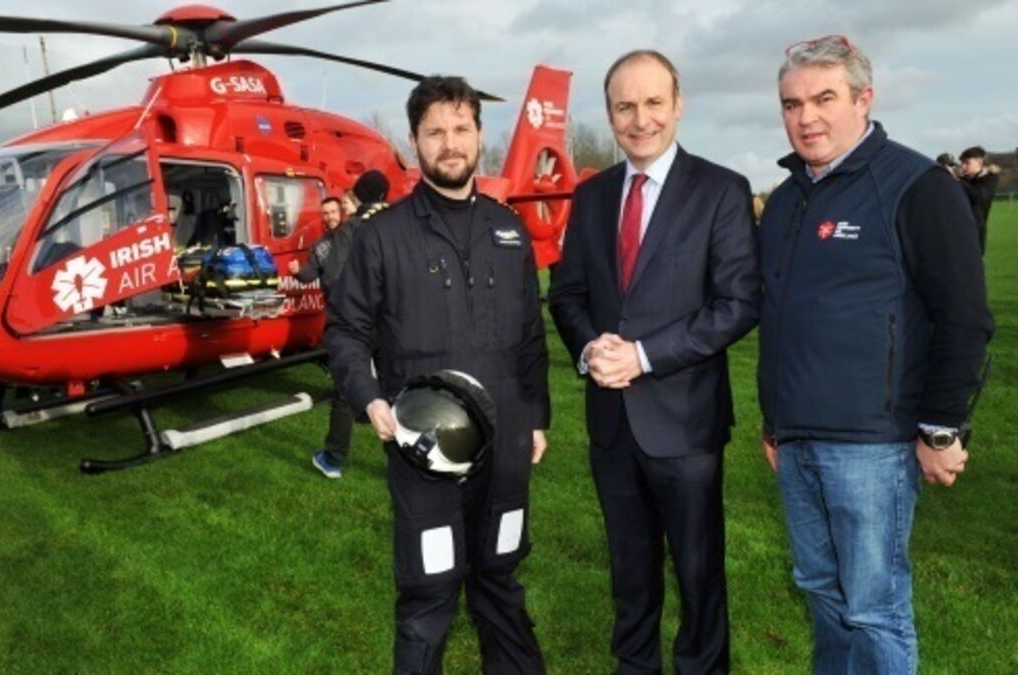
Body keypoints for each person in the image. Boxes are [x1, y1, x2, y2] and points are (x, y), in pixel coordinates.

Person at [759, 36, 992, 673]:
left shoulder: (917, 185)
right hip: (796, 439)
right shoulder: (786, 200)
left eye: (824, 99)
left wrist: (941, 428)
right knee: (820, 592)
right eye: (792, 104)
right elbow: (778, 313)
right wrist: (773, 421)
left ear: (864, 99)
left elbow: (964, 317)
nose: (806, 117)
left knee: (874, 608)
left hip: (872, 444)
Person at [327, 75, 550, 674]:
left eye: (460, 129)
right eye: (435, 133)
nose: (449, 143)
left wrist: (536, 417)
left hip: (505, 448)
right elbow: (346, 332)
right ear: (414, 142)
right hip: (424, 447)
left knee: (499, 580)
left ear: (478, 134)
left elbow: (531, 335)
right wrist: (369, 399)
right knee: (429, 593)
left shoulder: (510, 232)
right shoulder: (381, 237)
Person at [548, 50, 759, 674]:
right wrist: (590, 347)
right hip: (612, 426)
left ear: (678, 104)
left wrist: (642, 356)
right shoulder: (591, 196)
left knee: (698, 576)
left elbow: (738, 304)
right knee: (629, 571)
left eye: (653, 103)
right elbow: (567, 294)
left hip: (686, 424)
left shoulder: (721, 190)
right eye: (625, 106)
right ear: (610, 114)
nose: (640, 120)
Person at [291, 174, 391, 479]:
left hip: (356, 322)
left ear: (356, 198)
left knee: (346, 390)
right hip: (391, 321)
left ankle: (333, 458)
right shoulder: (399, 224)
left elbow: (334, 277)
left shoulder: (352, 229)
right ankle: (404, 460)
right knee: (397, 389)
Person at [958, 146, 999, 254]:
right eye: (962, 163)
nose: (963, 166)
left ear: (979, 162)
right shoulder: (964, 180)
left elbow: (979, 196)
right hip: (958, 231)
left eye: (967, 163)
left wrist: (958, 180)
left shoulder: (989, 178)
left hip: (975, 234)